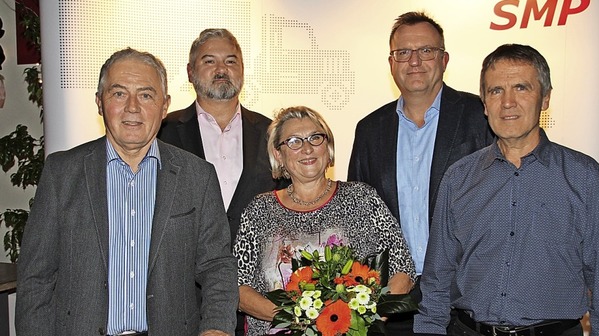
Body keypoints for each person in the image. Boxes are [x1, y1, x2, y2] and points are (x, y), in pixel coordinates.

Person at [15, 48, 238, 336]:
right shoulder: (62, 173)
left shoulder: (198, 177)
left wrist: (217, 328)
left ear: (165, 105)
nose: (132, 107)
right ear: (99, 102)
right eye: (119, 94)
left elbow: (217, 267)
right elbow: (36, 278)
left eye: (146, 95)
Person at [414, 44, 599, 336]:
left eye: (521, 88)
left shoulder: (585, 178)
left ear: (545, 98)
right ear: (484, 102)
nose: (507, 102)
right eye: (495, 91)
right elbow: (436, 282)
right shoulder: (458, 179)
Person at [347, 11, 494, 334]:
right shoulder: (370, 130)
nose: (414, 61)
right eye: (403, 52)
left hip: (466, 299)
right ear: (391, 62)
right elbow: (358, 217)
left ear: (444, 59)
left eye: (426, 51)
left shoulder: (480, 118)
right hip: (394, 300)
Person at [233, 106, 416, 335]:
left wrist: (363, 320)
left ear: (328, 148)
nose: (307, 148)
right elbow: (238, 288)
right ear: (278, 155)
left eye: (315, 138)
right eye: (294, 141)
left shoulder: (362, 199)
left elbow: (403, 269)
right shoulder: (259, 211)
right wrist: (297, 317)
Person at [158, 28, 280, 243]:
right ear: (190, 72)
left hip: (257, 269)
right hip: (187, 270)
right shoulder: (163, 131)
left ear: (242, 70)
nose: (221, 69)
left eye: (231, 62)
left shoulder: (271, 133)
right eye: (209, 62)